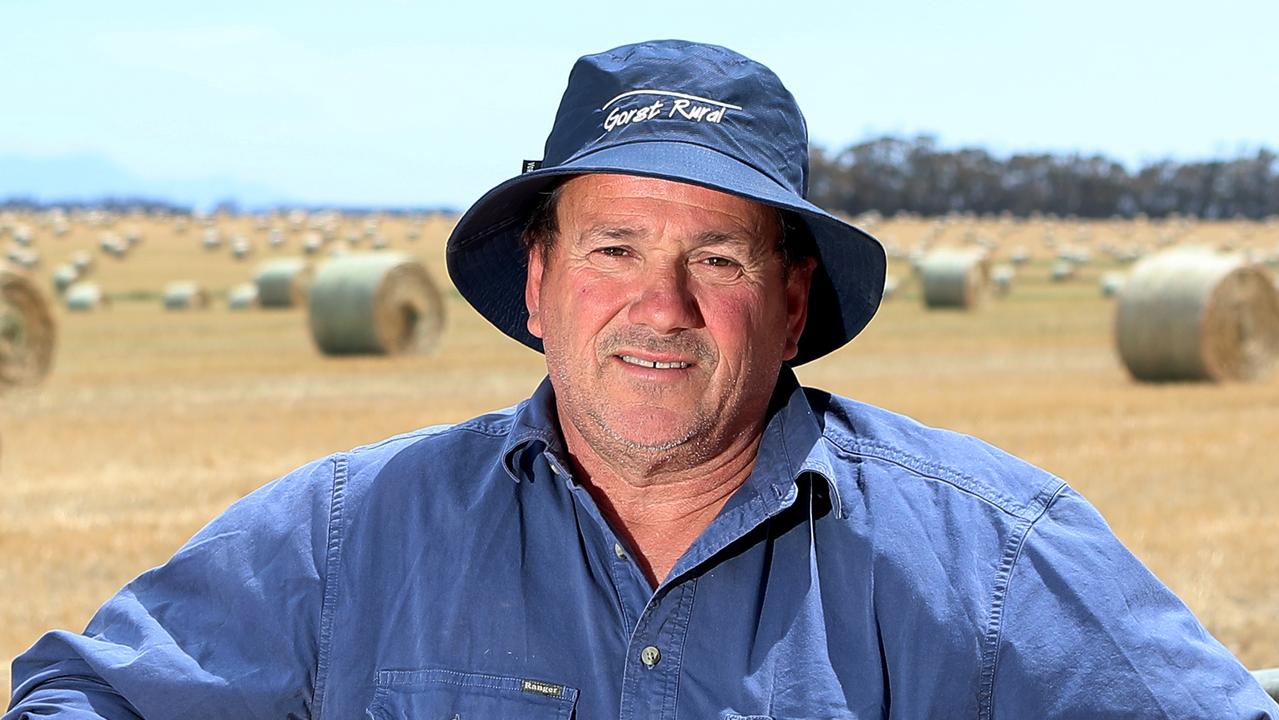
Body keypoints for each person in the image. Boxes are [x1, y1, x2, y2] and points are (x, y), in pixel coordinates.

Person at [7, 39, 1277, 720]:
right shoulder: (352, 534)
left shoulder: (993, 559)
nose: (657, 308)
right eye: (614, 247)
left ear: (789, 303)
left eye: (714, 258)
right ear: (538, 286)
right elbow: (82, 697)